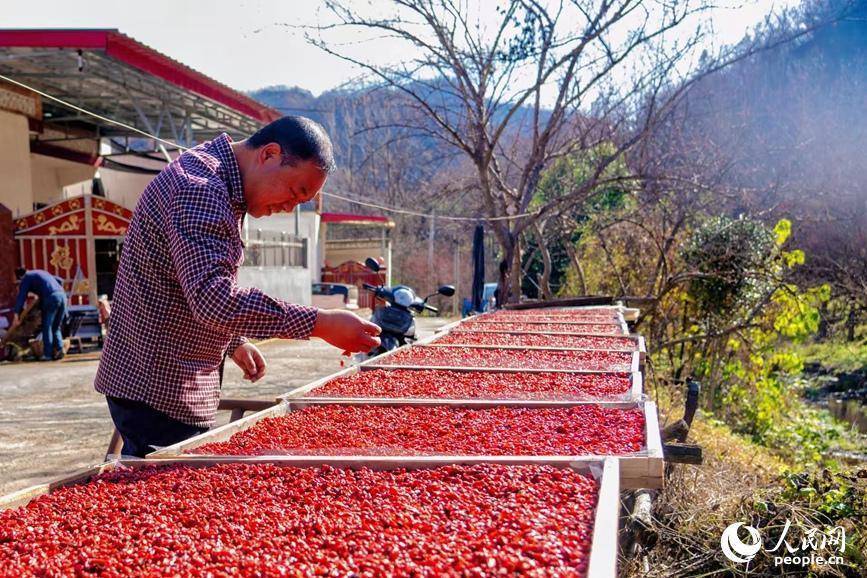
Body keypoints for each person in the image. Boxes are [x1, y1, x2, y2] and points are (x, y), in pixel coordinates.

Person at [94, 116, 381, 457]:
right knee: (163, 482)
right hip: (158, 386)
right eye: (294, 192)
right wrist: (320, 323)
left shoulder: (220, 183)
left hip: (171, 380)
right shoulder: (200, 189)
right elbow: (212, 300)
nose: (289, 207)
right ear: (269, 154)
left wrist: (232, 341)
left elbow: (187, 279)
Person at [11, 267, 68, 361]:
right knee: (56, 326)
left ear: (20, 277)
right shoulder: (41, 272)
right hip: (62, 296)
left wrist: (16, 315)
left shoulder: (26, 278)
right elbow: (60, 280)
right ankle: (59, 349)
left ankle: (47, 355)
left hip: (51, 298)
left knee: (47, 326)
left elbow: (21, 296)